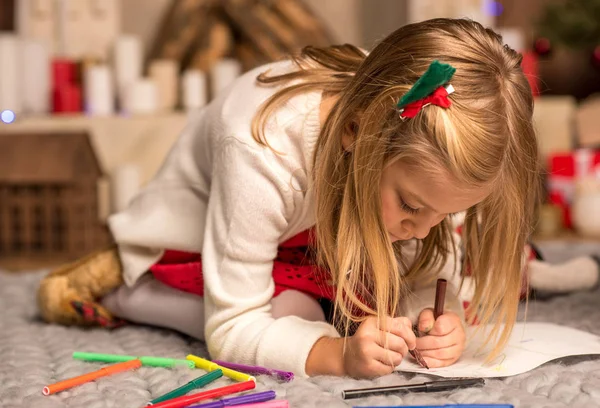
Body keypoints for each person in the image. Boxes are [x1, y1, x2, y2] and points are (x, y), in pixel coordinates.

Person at [37, 18, 540, 379]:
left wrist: (438, 317)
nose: (427, 230)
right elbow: (233, 329)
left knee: (364, 301)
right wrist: (336, 355)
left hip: (316, 227)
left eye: (447, 213)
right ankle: (133, 287)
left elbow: (429, 265)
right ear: (354, 133)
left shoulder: (413, 139)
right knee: (300, 315)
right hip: (201, 237)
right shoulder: (262, 147)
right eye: (412, 207)